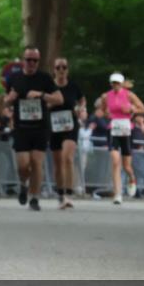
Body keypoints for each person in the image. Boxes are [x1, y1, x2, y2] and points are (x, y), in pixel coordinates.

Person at [4, 46, 63, 211]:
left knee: (37, 163)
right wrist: (10, 98)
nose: (31, 63)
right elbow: (4, 102)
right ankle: (23, 184)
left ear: (38, 61)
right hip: (21, 128)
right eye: (28, 59)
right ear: (23, 60)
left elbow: (59, 99)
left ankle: (35, 197)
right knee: (23, 165)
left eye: (35, 60)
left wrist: (42, 95)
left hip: (40, 127)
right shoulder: (14, 78)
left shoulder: (44, 79)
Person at [102, 72, 144, 205]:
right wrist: (107, 114)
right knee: (116, 162)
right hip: (113, 129)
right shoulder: (106, 96)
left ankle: (132, 177)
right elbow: (104, 112)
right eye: (113, 83)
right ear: (111, 83)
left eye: (117, 83)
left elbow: (143, 109)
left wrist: (131, 109)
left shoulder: (129, 95)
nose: (115, 85)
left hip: (126, 130)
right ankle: (118, 194)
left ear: (121, 84)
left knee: (127, 166)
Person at [49, 57, 84, 209]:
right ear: (54, 70)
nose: (61, 70)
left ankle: (68, 194)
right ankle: (60, 193)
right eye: (58, 67)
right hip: (54, 126)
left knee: (67, 158)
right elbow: (43, 102)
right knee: (57, 162)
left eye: (64, 67)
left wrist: (81, 109)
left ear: (68, 70)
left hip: (70, 126)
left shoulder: (73, 86)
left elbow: (82, 100)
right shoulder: (49, 86)